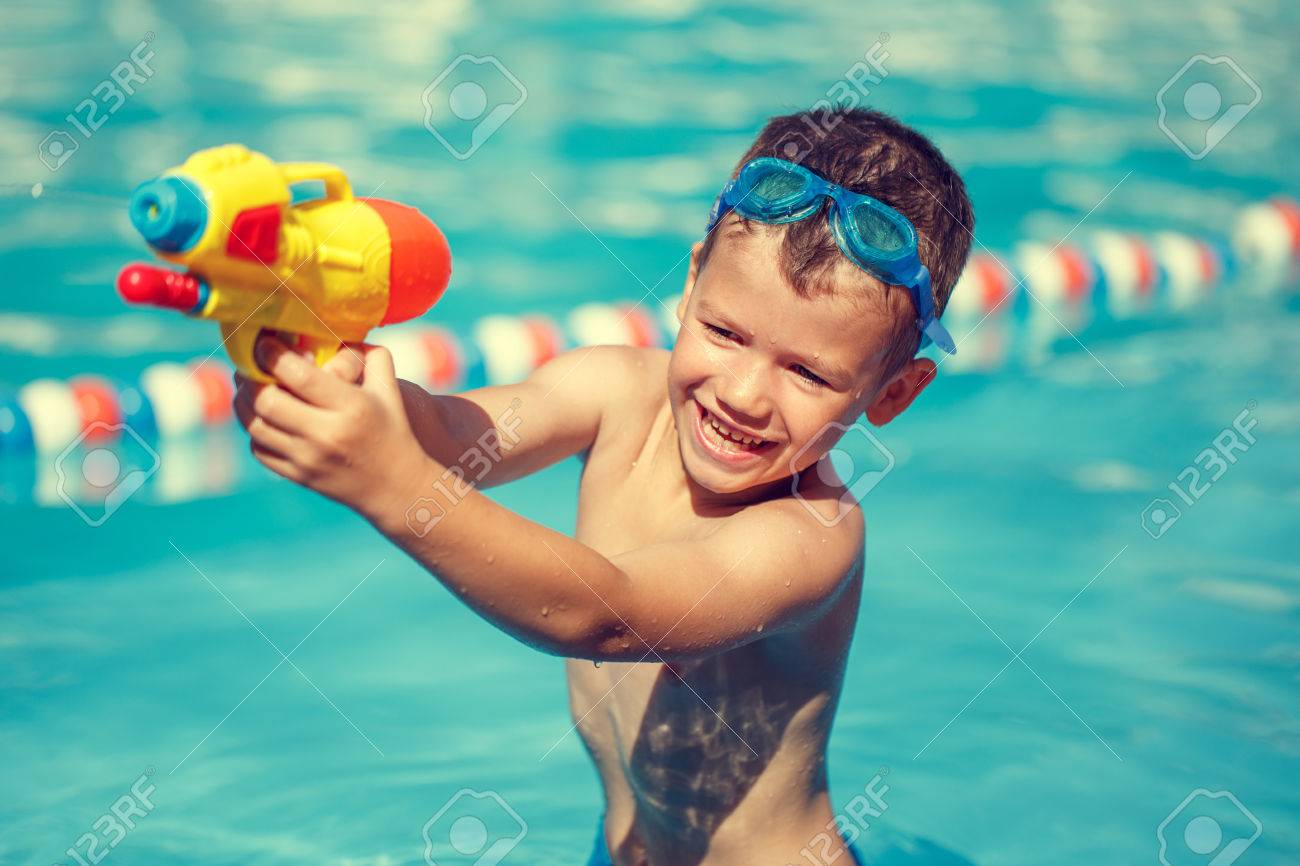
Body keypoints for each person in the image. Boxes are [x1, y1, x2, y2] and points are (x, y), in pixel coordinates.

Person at [233, 106, 974, 866]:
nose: (745, 394)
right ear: (690, 284)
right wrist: (331, 374)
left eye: (808, 373)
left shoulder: (812, 534)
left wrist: (392, 487)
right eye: (724, 333)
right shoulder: (617, 390)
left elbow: (607, 616)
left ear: (892, 394)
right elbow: (456, 437)